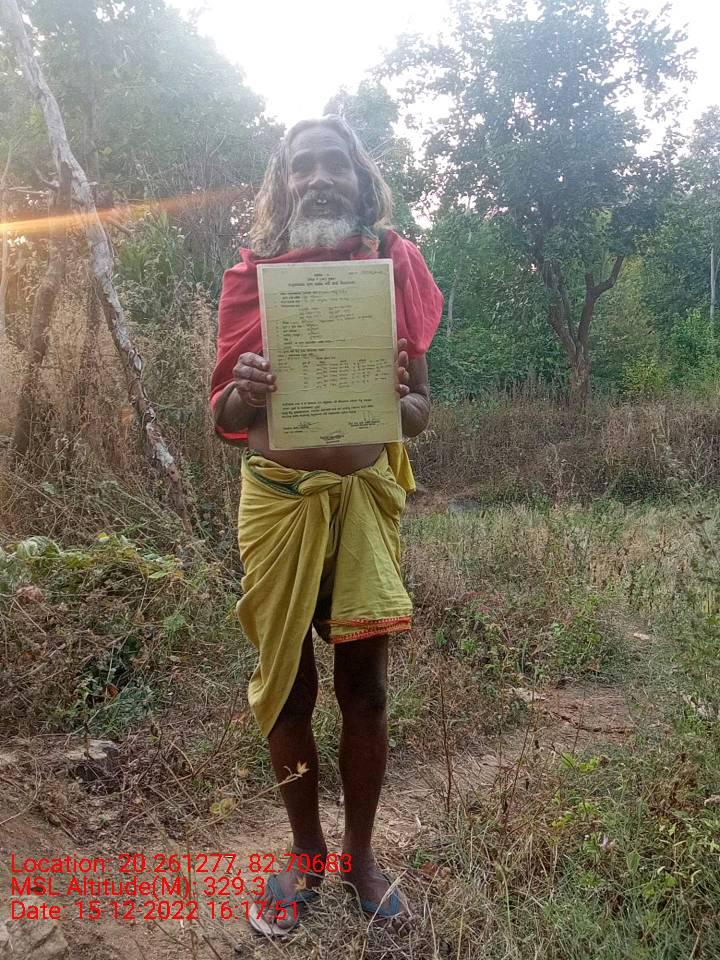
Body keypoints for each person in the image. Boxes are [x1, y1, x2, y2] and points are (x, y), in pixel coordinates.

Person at [209, 115, 443, 936]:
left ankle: (362, 857)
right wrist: (244, 388)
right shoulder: (252, 278)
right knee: (289, 689)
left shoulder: (393, 266)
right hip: (278, 504)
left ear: (359, 176)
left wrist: (401, 398)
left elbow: (418, 410)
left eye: (332, 163)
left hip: (364, 504)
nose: (317, 178)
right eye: (300, 166)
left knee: (365, 690)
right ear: (284, 183)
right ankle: (305, 853)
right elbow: (222, 414)